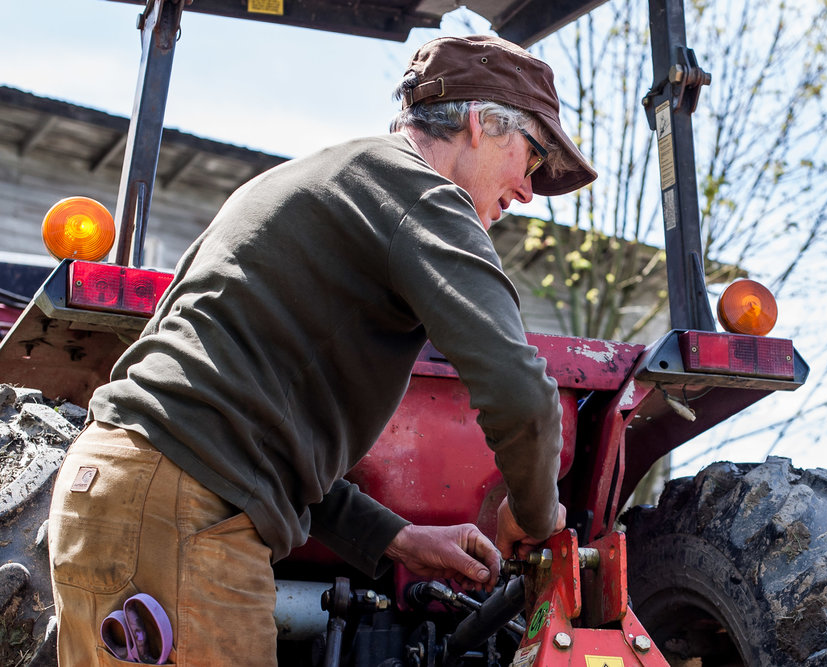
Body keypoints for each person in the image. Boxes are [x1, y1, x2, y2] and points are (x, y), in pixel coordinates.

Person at [47, 34, 597, 665]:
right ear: (478, 123)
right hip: (182, 512)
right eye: (529, 160)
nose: (526, 191)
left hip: (111, 490)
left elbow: (249, 432)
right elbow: (521, 393)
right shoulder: (422, 195)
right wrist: (537, 514)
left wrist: (394, 537)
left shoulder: (306, 180)